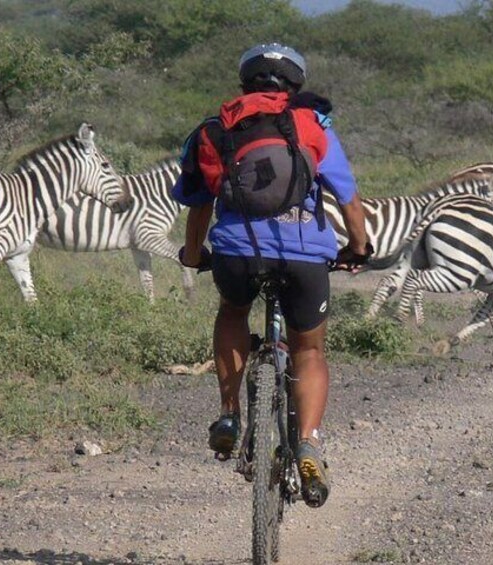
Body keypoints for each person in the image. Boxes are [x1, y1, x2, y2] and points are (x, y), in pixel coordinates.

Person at [172, 43, 371, 508]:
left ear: (244, 84)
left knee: (232, 312)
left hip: (239, 253)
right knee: (310, 348)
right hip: (306, 256)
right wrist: (358, 248)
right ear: (295, 86)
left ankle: (228, 414)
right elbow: (347, 196)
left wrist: (194, 253)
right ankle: (308, 442)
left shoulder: (215, 129)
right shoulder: (313, 125)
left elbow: (200, 204)